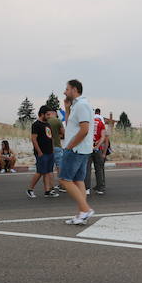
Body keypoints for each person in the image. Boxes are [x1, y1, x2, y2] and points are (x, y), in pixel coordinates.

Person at [58, 79, 95, 225]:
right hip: (81, 149)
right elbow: (70, 126)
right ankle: (82, 215)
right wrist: (67, 109)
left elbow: (84, 130)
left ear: (74, 90)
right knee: (78, 180)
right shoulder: (76, 106)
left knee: (64, 179)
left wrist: (70, 146)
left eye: (67, 89)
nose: (64, 92)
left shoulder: (81, 105)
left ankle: (86, 209)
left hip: (76, 149)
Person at [27, 106, 59, 199]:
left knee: (48, 172)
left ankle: (47, 191)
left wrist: (52, 149)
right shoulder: (36, 125)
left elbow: (51, 137)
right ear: (42, 114)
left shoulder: (48, 124)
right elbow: (34, 139)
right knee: (40, 172)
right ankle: (30, 189)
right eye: (47, 114)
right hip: (41, 153)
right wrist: (39, 151)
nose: (49, 116)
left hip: (50, 152)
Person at [85, 108, 107, 195]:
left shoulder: (88, 123)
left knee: (87, 169)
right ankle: (100, 188)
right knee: (99, 169)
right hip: (97, 149)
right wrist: (97, 146)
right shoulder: (101, 123)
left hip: (88, 148)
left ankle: (87, 189)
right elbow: (103, 137)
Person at [47, 108, 65, 191]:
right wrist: (58, 136)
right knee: (59, 167)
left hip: (47, 148)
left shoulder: (46, 121)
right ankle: (62, 185)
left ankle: (51, 187)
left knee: (49, 168)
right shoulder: (58, 121)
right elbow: (64, 133)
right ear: (55, 112)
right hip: (57, 146)